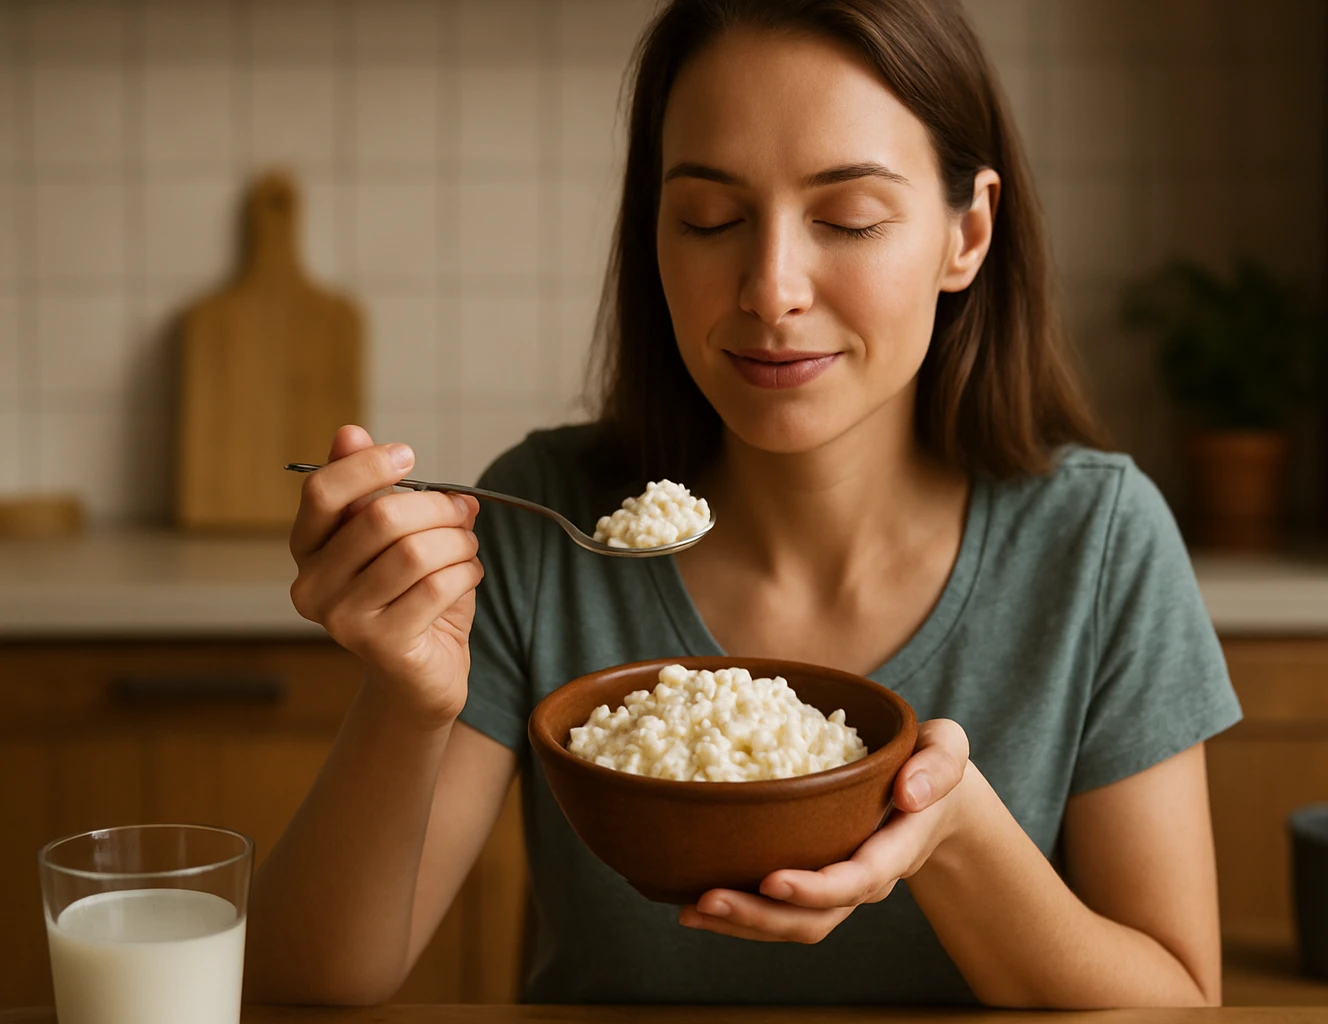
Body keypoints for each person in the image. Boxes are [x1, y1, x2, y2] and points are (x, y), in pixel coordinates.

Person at [246, 0, 1242, 1009]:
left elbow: (1177, 998)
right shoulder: (543, 519)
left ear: (967, 233)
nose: (770, 289)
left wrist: (954, 838)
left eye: (847, 218)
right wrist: (409, 701)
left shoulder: (1099, 543)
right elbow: (297, 992)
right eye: (709, 219)